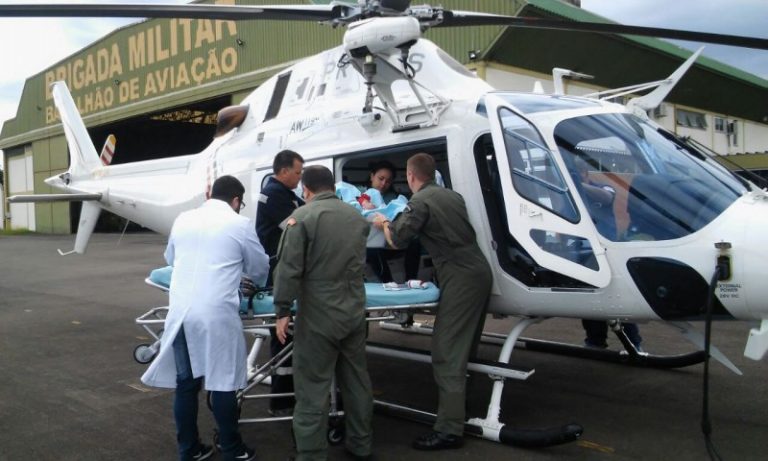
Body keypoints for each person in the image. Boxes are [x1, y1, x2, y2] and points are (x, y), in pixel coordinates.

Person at [141, 175, 269, 461]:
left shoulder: (184, 218)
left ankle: (189, 450)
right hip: (215, 313)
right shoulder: (240, 224)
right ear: (236, 201)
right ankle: (232, 450)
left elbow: (171, 258)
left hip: (181, 312)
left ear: (211, 194)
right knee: (222, 381)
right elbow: (260, 269)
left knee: (186, 383)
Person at [373, 153, 492, 451]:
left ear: (411, 177)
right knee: (464, 348)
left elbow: (397, 240)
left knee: (446, 352)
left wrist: (383, 221)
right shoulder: (452, 196)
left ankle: (450, 429)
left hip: (460, 278)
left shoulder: (420, 202)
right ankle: (460, 408)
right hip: (477, 273)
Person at [273, 165, 373, 461]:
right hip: (354, 310)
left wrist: (282, 310)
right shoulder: (356, 217)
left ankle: (312, 453)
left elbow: (288, 268)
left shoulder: (301, 218)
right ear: (332, 186)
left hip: (318, 314)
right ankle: (361, 445)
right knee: (356, 382)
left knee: (312, 387)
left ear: (305, 189)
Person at [573, 157, 643, 351]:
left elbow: (606, 197)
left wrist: (575, 186)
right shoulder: (569, 196)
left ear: (585, 174)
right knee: (590, 302)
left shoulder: (603, 188)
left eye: (579, 174)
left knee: (618, 300)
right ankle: (595, 341)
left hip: (607, 253)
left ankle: (634, 343)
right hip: (583, 254)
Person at [256, 149, 305, 416]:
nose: (299, 178)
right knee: (283, 335)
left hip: (283, 267)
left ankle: (286, 395)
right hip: (278, 270)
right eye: (297, 173)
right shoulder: (275, 194)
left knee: (286, 335)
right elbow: (295, 225)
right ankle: (282, 399)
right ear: (284, 171)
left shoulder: (284, 194)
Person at [363, 160, 421, 283]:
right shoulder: (362, 195)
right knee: (372, 246)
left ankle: (411, 280)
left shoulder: (395, 199)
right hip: (373, 241)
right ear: (372, 176)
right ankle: (388, 282)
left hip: (393, 239)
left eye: (388, 181)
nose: (384, 184)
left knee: (415, 241)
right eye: (381, 178)